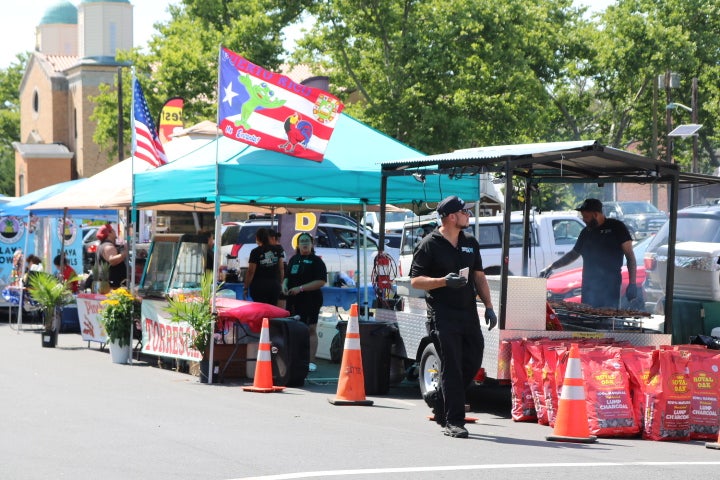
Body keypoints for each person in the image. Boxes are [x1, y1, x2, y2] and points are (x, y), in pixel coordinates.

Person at [410, 195, 497, 439]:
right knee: (452, 366)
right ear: (451, 217)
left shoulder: (470, 241)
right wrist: (443, 282)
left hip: (468, 312)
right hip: (442, 314)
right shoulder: (429, 244)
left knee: (473, 358)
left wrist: (489, 306)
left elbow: (478, 276)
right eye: (464, 212)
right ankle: (454, 421)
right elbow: (416, 280)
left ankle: (440, 398)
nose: (468, 215)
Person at [539, 198, 636, 308]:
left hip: (610, 286)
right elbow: (573, 255)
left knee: (608, 319)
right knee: (588, 318)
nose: (584, 220)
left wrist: (632, 283)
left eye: (586, 217)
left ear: (595, 214)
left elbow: (630, 257)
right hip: (589, 286)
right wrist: (551, 267)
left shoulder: (617, 227)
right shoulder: (586, 232)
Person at [282, 232, 327, 373]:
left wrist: (300, 288)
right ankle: (295, 359)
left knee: (310, 330)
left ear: (312, 243)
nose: (305, 243)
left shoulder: (317, 261)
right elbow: (287, 276)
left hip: (311, 300)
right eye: (302, 241)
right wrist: (284, 284)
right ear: (298, 244)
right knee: (293, 329)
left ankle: (311, 361)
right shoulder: (294, 259)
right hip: (293, 300)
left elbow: (321, 281)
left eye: (307, 241)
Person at [245, 227, 284, 305]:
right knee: (272, 311)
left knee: (261, 311)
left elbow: (251, 271)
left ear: (257, 238)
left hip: (258, 286)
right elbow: (281, 268)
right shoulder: (277, 249)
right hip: (274, 285)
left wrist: (246, 287)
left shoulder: (255, 251)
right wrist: (280, 283)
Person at [96, 223, 127, 289]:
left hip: (109, 283)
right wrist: (125, 252)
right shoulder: (108, 246)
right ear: (109, 233)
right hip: (113, 285)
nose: (115, 231)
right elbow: (112, 261)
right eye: (113, 230)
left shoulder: (102, 245)